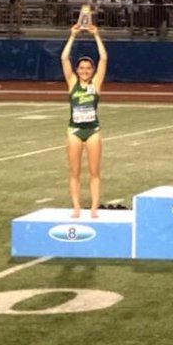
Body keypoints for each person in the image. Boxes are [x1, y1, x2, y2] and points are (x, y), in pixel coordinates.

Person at [60, 22, 108, 218]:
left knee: (95, 171)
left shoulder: (96, 84)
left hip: (93, 130)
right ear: (77, 70)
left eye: (88, 68)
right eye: (82, 68)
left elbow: (104, 58)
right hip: (74, 131)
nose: (85, 70)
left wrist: (96, 35)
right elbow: (64, 58)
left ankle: (95, 207)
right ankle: (77, 207)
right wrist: (72, 36)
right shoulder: (72, 82)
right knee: (75, 171)